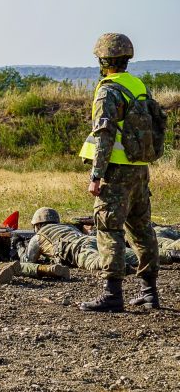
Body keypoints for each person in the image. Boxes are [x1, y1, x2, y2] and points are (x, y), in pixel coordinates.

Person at [78, 33, 162, 311]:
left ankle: (112, 294)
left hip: (115, 171)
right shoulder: (138, 85)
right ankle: (149, 291)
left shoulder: (107, 91)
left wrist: (96, 175)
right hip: (140, 169)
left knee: (109, 228)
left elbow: (104, 136)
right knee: (142, 229)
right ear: (126, 59)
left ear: (103, 60)